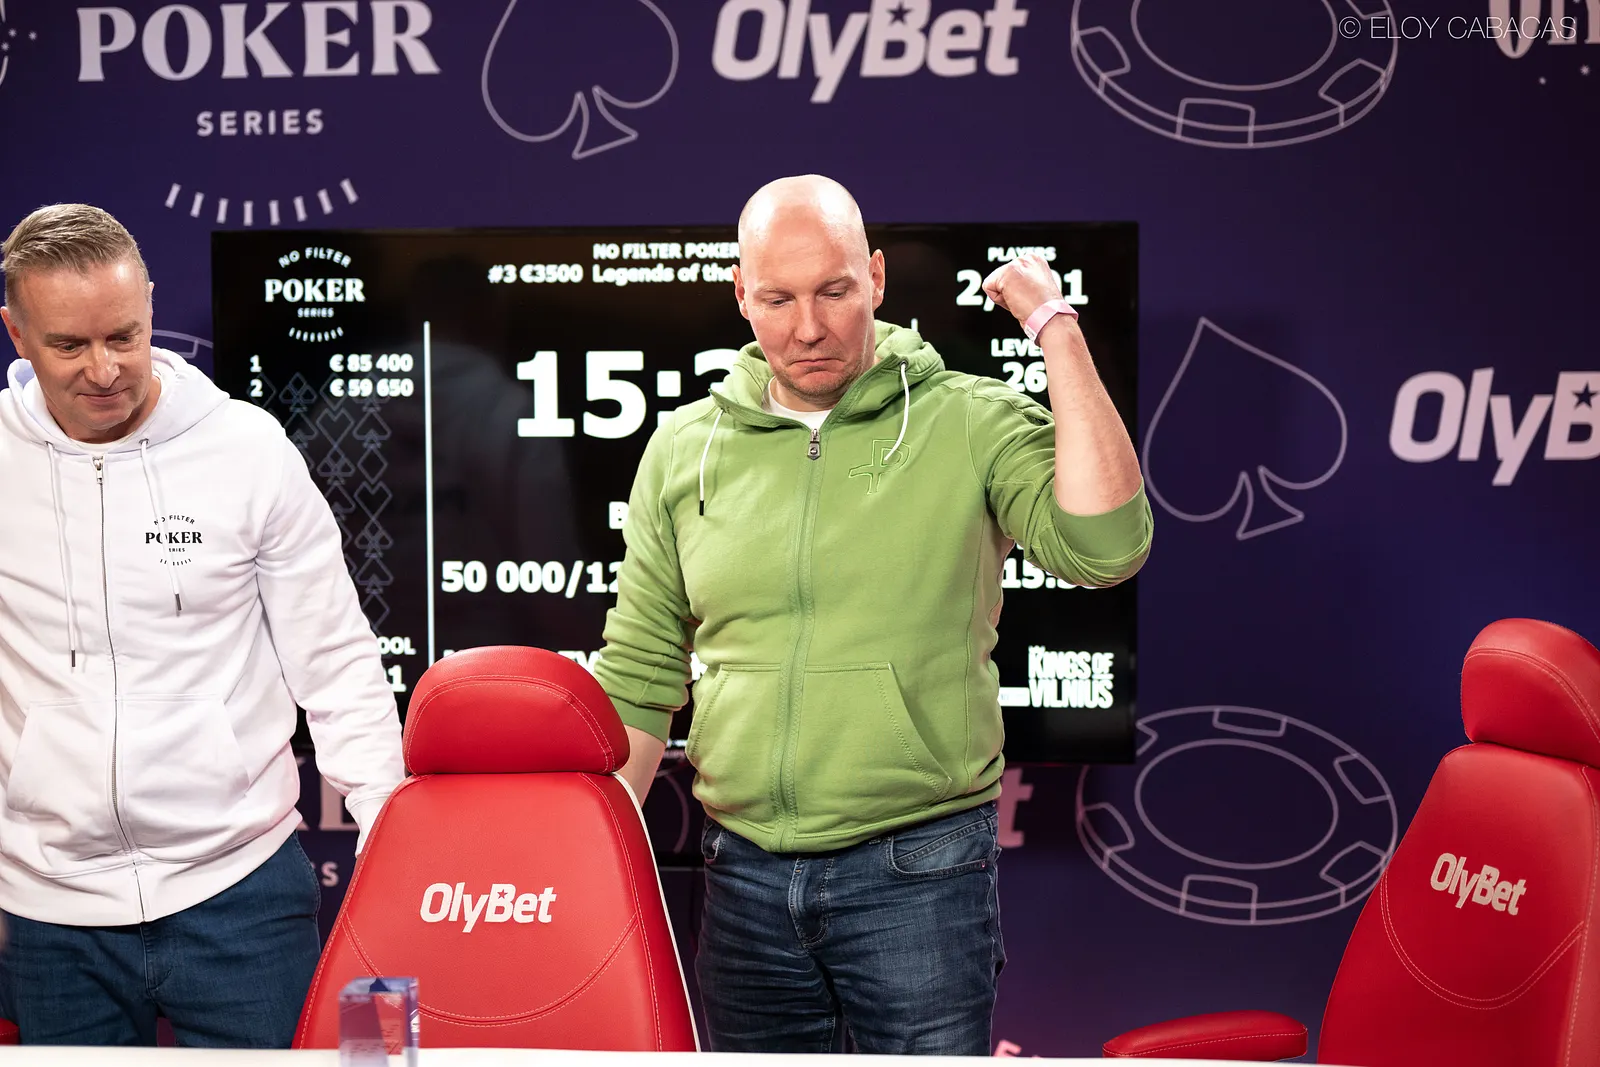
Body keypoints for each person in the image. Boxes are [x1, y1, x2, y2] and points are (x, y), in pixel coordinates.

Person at [595, 175, 1152, 1054]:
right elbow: (638, 672)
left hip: (919, 867)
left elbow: (1107, 545)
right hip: (740, 872)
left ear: (877, 278)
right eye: (777, 299)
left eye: (834, 291)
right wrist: (595, 863)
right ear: (740, 294)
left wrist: (1057, 328)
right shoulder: (684, 448)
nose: (807, 328)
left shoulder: (969, 419)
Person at [0, 204, 404, 1046]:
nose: (105, 368)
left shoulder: (247, 450)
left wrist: (388, 831)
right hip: (49, 905)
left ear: (150, 304)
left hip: (240, 887)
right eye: (69, 345)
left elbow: (333, 655)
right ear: (17, 333)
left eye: (124, 334)